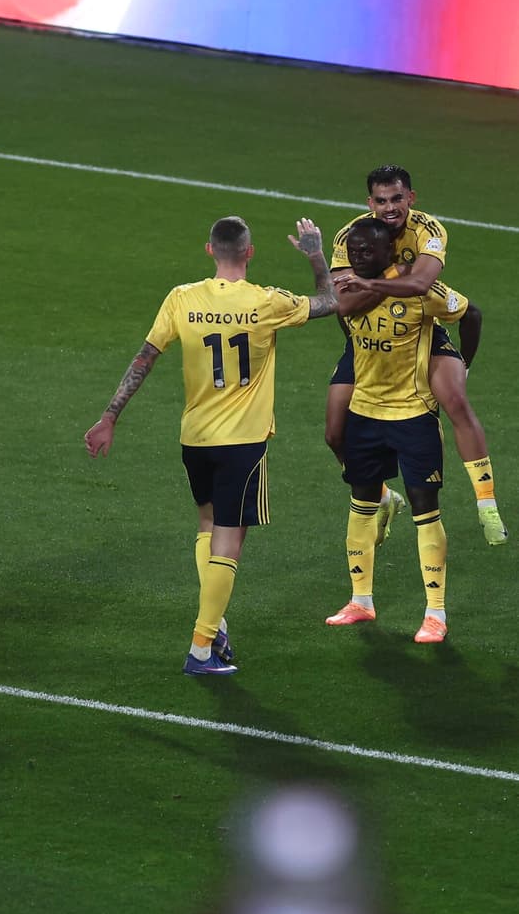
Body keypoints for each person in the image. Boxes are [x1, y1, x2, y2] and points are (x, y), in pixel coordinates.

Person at [84, 216, 338, 676]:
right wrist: (316, 254)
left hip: (195, 438)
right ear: (250, 252)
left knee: (207, 526)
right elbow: (330, 301)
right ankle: (201, 649)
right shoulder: (267, 302)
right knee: (230, 541)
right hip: (242, 442)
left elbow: (145, 358)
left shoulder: (181, 298)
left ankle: (216, 625)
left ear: (209, 251)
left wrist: (109, 416)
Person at [327, 164, 506, 547]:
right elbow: (342, 304)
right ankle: (382, 497)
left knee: (455, 399)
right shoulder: (352, 236)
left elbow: (422, 283)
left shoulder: (429, 229)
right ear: (369, 202)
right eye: (381, 200)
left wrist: (371, 282)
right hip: (367, 337)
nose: (390, 207)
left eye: (397, 198)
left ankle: (487, 504)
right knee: (334, 431)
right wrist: (395, 278)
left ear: (411, 197)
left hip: (419, 324)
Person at [327, 218, 469, 642]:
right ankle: (361, 601)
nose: (356, 259)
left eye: (366, 251)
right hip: (365, 414)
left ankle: (436, 614)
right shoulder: (349, 292)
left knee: (426, 511)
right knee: (360, 502)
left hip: (413, 416)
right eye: (352, 252)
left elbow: (469, 312)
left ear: (390, 251)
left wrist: (464, 368)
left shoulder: (421, 293)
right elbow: (340, 315)